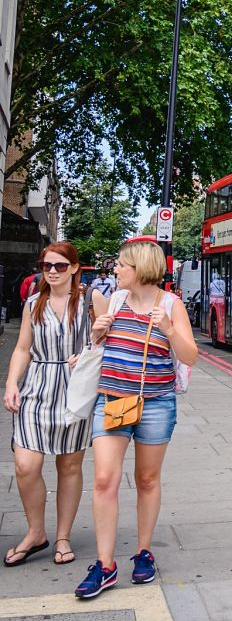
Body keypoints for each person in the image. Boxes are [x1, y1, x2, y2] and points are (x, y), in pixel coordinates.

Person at [75, 240, 198, 599]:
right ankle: (105, 565)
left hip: (156, 404)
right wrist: (98, 331)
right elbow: (96, 343)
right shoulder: (111, 300)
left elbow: (190, 357)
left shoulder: (171, 306)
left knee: (146, 479)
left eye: (121, 265)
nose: (115, 270)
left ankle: (144, 552)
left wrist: (169, 330)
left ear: (141, 268)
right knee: (103, 479)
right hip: (112, 400)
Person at [3, 243, 91, 567]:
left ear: (74, 267)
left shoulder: (90, 301)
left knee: (68, 466)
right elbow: (23, 348)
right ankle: (36, 532)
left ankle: (63, 536)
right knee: (26, 465)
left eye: (59, 265)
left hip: (75, 392)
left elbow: (111, 341)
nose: (52, 271)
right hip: (37, 388)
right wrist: (12, 383)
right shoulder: (33, 303)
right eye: (46, 265)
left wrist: (88, 355)